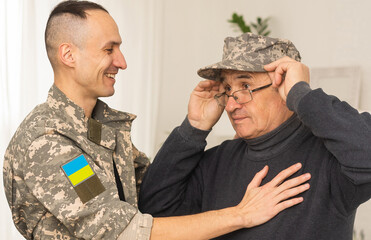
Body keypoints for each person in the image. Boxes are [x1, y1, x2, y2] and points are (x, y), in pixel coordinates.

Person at [2, 1, 312, 239]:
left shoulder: (96, 128)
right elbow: (124, 231)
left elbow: (154, 192)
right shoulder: (51, 141)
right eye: (109, 49)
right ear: (69, 55)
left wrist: (195, 127)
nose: (121, 62)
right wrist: (242, 215)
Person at [139, 32, 371, 239]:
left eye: (245, 86)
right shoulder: (217, 162)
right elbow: (155, 209)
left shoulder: (330, 159)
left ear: (283, 88)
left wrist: (302, 94)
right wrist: (194, 127)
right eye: (228, 89)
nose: (230, 105)